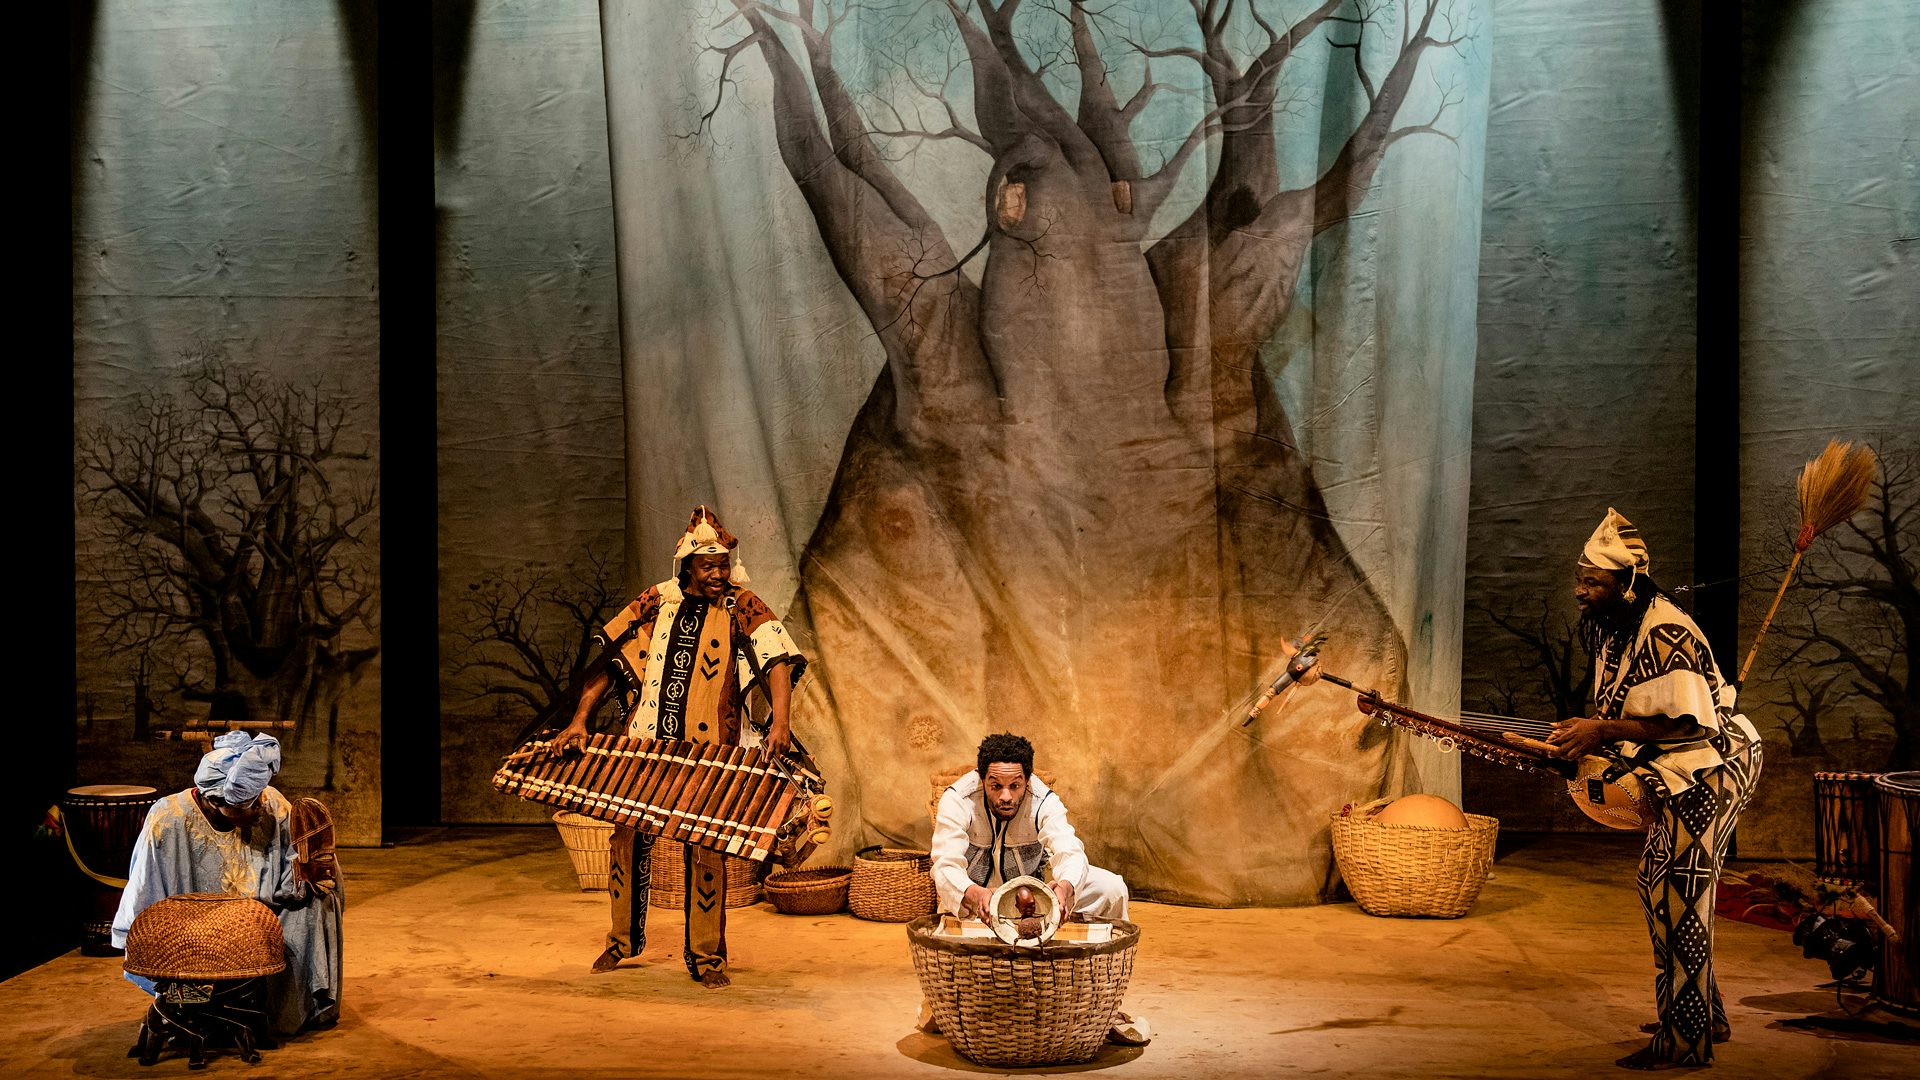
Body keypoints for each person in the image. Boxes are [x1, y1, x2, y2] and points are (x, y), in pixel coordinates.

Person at [551, 505, 804, 987]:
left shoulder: (741, 605)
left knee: (707, 849)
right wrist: (580, 720)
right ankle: (620, 942)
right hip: (645, 747)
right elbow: (608, 660)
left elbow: (777, 659)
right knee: (625, 840)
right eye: (709, 566)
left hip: (710, 752)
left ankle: (708, 959)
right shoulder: (656, 600)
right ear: (688, 565)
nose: (718, 573)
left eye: (723, 564)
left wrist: (780, 725)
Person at [1548, 509, 1763, 1070]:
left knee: (1681, 892)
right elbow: (1623, 714)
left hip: (1712, 764)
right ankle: (1701, 1011)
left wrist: (1600, 731)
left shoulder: (1665, 632)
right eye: (1579, 578)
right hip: (1677, 765)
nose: (1580, 590)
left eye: (1593, 581)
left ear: (1628, 584)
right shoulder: (1613, 633)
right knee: (1655, 882)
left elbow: (1691, 724)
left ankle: (1686, 1041)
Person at [111, 731, 343, 1035]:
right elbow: (147, 893)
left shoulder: (270, 802)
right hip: (191, 927)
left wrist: (308, 873)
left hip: (261, 916)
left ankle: (280, 1011)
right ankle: (196, 1005)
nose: (260, 808)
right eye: (248, 805)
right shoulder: (169, 819)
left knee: (319, 903)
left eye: (260, 797)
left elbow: (296, 868)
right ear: (213, 801)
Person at [930, 733, 1129, 924]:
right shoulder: (957, 799)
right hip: (977, 904)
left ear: (1027, 780)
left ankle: (1098, 956)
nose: (1006, 796)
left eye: (1015, 786)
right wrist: (975, 895)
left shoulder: (1043, 800)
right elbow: (945, 863)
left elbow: (1069, 850)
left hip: (1031, 901)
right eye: (996, 786)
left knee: (1111, 888)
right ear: (982, 780)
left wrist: (1064, 889)